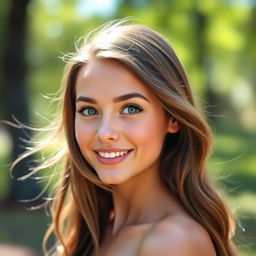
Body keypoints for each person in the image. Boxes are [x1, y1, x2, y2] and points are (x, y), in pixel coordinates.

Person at [14, 20, 238, 256]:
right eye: (89, 111)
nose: (105, 133)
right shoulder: (99, 230)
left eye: (130, 108)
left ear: (173, 118)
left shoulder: (171, 242)